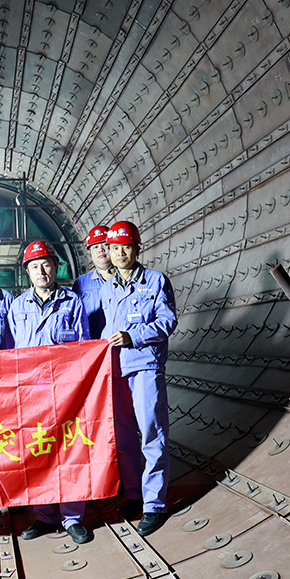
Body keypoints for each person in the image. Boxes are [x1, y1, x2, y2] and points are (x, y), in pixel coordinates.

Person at [8, 241, 92, 544]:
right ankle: (44, 515)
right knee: (37, 453)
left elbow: (83, 347)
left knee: (69, 452)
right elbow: (10, 351)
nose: (41, 271)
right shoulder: (18, 307)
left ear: (56, 267)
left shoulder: (72, 302)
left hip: (64, 390)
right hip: (31, 393)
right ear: (27, 271)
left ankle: (72, 517)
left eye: (46, 264)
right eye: (34, 266)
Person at [100, 220, 177, 536]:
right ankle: (135, 495)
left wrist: (134, 336)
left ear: (137, 248)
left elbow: (168, 321)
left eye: (126, 247)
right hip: (115, 371)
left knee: (151, 434)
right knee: (124, 438)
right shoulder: (107, 288)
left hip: (144, 366)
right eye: (115, 248)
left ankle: (155, 505)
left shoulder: (156, 281)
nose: (120, 253)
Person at [73, 225, 115, 339]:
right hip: (93, 345)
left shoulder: (127, 279)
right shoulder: (81, 283)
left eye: (105, 245)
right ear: (90, 254)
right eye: (95, 247)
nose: (100, 250)